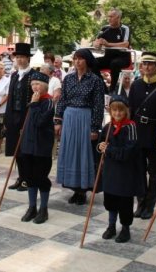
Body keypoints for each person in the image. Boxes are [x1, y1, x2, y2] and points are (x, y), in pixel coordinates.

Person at [55, 48, 105, 205]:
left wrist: (94, 127)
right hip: (69, 118)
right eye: (75, 58)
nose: (77, 62)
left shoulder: (95, 80)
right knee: (70, 152)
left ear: (87, 61)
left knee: (83, 153)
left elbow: (98, 105)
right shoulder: (68, 78)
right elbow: (62, 99)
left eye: (80, 58)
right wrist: (58, 120)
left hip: (85, 118)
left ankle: (82, 190)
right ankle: (74, 188)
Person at [128, 52, 156, 219]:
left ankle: (149, 206)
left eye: (150, 64)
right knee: (138, 171)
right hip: (138, 133)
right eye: (144, 64)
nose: (147, 67)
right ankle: (140, 203)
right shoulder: (136, 85)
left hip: (155, 134)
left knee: (154, 173)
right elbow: (131, 110)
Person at [98, 95, 143, 243]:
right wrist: (100, 147)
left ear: (126, 111)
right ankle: (111, 226)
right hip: (110, 171)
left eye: (120, 110)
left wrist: (109, 149)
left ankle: (125, 228)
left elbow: (128, 152)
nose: (117, 113)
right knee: (110, 199)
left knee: (124, 202)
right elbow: (101, 144)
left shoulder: (131, 127)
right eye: (114, 110)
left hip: (125, 172)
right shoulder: (108, 127)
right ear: (110, 111)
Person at [19, 72, 54, 224]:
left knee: (41, 178)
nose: (34, 87)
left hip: (41, 146)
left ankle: (43, 209)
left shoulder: (48, 102)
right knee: (29, 177)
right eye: (32, 84)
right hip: (28, 145)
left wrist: (34, 105)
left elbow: (40, 121)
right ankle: (32, 207)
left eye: (37, 84)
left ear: (45, 86)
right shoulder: (33, 100)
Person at [5, 43, 38, 191]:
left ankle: (28, 178)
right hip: (14, 115)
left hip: (27, 116)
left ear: (28, 58)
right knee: (16, 149)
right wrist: (8, 117)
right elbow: (10, 96)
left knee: (26, 149)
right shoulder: (14, 75)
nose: (19, 59)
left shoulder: (33, 75)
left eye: (22, 57)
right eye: (17, 57)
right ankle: (21, 176)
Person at [93, 8, 131, 93]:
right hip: (108, 57)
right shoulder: (104, 28)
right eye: (108, 16)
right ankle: (103, 87)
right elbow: (96, 41)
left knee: (114, 63)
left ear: (118, 18)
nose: (109, 19)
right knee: (92, 62)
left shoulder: (125, 28)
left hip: (123, 58)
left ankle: (112, 89)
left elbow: (125, 44)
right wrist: (97, 44)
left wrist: (108, 44)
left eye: (111, 17)